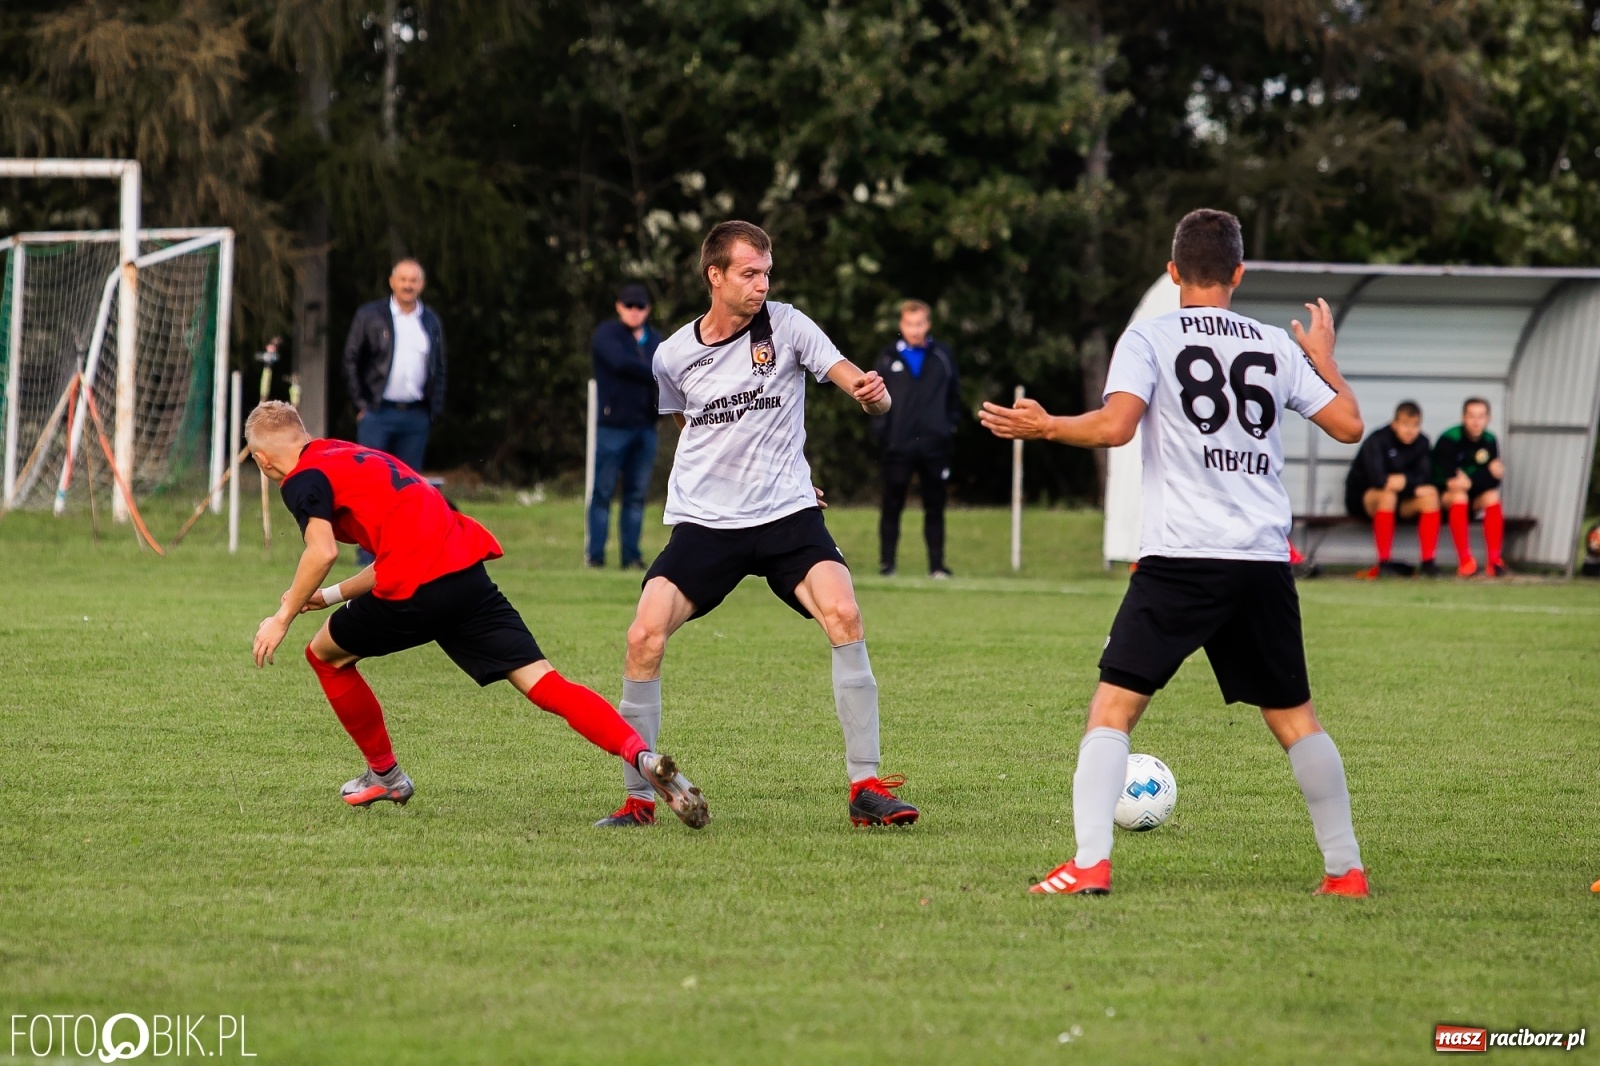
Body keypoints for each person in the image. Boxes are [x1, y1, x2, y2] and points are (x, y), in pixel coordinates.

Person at [979, 208, 1370, 898]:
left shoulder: (1151, 337)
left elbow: (1115, 427)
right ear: (1239, 274)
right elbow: (1347, 424)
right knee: (1294, 718)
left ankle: (1090, 864)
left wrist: (1045, 427)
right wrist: (1324, 359)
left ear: (1172, 272)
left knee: (1113, 711)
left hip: (1182, 559)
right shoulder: (1275, 348)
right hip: (1261, 558)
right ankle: (1346, 871)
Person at [243, 400, 708, 827]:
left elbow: (320, 549)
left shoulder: (300, 479)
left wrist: (282, 615)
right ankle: (642, 757)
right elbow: (402, 542)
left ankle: (385, 776)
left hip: (416, 589)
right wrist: (327, 597)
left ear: (264, 461)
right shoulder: (343, 453)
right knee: (546, 683)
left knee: (326, 656)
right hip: (464, 573)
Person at [594, 220, 919, 829]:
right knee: (643, 637)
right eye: (749, 273)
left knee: (844, 614)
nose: (761, 284)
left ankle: (866, 787)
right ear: (714, 275)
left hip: (786, 517)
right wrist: (729, 469)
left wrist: (873, 396)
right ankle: (639, 800)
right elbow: (684, 420)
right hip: (706, 525)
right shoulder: (671, 354)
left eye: (766, 272)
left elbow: (854, 381)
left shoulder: (788, 325)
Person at [343, 258, 447, 565]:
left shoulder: (430, 321)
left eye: (413, 280)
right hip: (377, 413)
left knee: (409, 490)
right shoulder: (370, 316)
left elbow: (439, 368)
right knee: (370, 486)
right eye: (402, 279)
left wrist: (433, 410)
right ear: (392, 282)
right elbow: (351, 360)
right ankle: (367, 552)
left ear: (421, 284)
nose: (408, 285)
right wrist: (362, 404)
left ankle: (401, 552)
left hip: (415, 416)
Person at [874, 299, 962, 578]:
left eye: (920, 323)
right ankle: (888, 565)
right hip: (898, 445)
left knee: (935, 506)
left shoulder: (942, 356)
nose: (915, 329)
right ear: (902, 325)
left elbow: (954, 398)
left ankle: (937, 566)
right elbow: (874, 399)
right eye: (910, 324)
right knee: (892, 504)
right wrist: (883, 433)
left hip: (934, 446)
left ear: (929, 324)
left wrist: (948, 428)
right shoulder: (888, 358)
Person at [587, 283, 662, 570]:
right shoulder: (607, 334)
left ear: (647, 310)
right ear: (618, 306)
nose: (634, 312)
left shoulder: (655, 339)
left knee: (636, 495)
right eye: (629, 306)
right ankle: (595, 556)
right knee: (603, 493)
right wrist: (655, 371)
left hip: (645, 426)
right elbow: (620, 364)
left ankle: (631, 556)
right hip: (613, 426)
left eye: (639, 306)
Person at [1344, 401, 1442, 578]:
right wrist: (1408, 485)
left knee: (1431, 496)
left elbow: (1426, 477)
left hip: (1402, 498)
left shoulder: (1422, 442)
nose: (1410, 430)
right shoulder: (1377, 440)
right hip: (1365, 500)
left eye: (1415, 425)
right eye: (1405, 424)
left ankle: (1428, 563)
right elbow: (1378, 479)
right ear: (1394, 423)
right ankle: (1384, 562)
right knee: (1387, 495)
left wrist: (1404, 482)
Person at [1433, 397, 1507, 577]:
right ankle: (1465, 561)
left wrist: (1472, 480)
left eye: (1481, 416)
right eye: (1471, 416)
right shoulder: (1449, 439)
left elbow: (1495, 480)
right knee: (1459, 495)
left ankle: (1494, 561)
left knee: (1492, 496)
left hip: (1471, 495)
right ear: (1463, 418)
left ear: (1488, 418)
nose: (1476, 421)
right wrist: (1484, 475)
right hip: (1442, 500)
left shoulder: (1490, 440)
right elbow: (1452, 482)